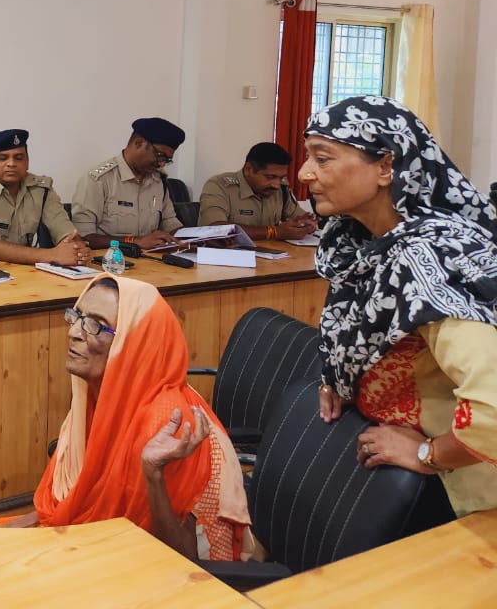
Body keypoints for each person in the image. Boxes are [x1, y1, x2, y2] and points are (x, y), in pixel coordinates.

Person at [302, 96, 497, 517]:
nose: (304, 173)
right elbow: (372, 336)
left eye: (322, 158)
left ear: (386, 167)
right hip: (401, 473)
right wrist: (346, 377)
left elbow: (494, 404)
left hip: (463, 489)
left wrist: (431, 453)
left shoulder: (430, 257)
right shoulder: (361, 240)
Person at [10, 274, 250, 561]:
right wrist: (18, 529)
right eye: (77, 316)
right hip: (100, 546)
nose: (74, 331)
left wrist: (153, 474)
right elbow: (72, 501)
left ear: (134, 342)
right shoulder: (98, 391)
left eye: (96, 325)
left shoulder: (167, 421)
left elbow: (183, 559)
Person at [0, 129, 91, 267]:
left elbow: (66, 232)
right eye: (3, 158)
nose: (11, 163)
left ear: (27, 162)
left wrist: (76, 249)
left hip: (28, 268)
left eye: (18, 158)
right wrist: (52, 255)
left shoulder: (41, 189)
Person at [72, 117, 185, 250]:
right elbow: (84, 238)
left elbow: (170, 223)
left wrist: (189, 239)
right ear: (138, 143)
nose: (162, 164)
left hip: (152, 259)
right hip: (111, 259)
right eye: (160, 156)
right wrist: (135, 242)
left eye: (167, 160)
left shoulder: (159, 181)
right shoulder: (99, 180)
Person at [197, 141, 318, 240]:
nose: (276, 185)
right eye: (270, 177)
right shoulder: (220, 185)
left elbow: (299, 217)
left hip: (272, 256)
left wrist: (305, 224)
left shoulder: (281, 190)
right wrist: (274, 232)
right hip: (228, 257)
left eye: (281, 178)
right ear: (249, 169)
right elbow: (215, 229)